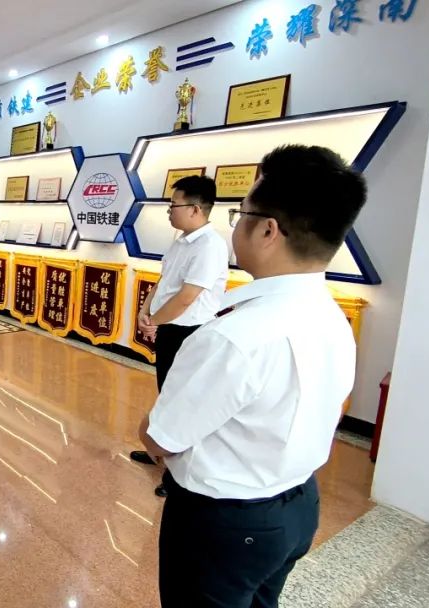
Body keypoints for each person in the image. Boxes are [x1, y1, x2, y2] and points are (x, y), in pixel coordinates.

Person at [139, 145, 364, 607]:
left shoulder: (232, 336)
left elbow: (160, 438)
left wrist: (149, 425)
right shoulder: (331, 315)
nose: (235, 225)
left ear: (267, 230)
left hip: (224, 523)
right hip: (298, 506)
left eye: (241, 213)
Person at [130, 175, 229, 497]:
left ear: (196, 209)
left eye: (174, 205)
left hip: (189, 331)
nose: (169, 211)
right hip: (169, 327)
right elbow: (164, 283)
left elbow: (187, 296)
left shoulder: (209, 246)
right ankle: (159, 452)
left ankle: (177, 474)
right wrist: (146, 311)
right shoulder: (181, 241)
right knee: (168, 392)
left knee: (185, 401)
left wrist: (154, 321)